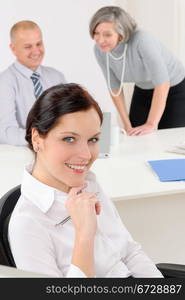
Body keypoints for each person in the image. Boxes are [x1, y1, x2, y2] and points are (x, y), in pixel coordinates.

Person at [8, 83, 163, 278]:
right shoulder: (27, 224)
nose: (85, 155)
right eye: (69, 139)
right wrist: (84, 235)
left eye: (93, 140)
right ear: (37, 139)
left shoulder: (88, 183)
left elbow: (129, 252)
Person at [89, 6, 185, 136]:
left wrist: (151, 123)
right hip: (143, 88)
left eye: (107, 34)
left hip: (175, 88)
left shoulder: (142, 40)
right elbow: (114, 89)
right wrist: (126, 123)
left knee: (169, 136)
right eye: (96, 33)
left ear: (122, 34)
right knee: (134, 134)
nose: (100, 40)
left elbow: (162, 83)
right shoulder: (100, 50)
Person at [0, 20, 66, 146]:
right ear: (13, 49)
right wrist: (43, 140)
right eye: (28, 47)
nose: (36, 51)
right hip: (25, 155)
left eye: (39, 44)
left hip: (59, 150)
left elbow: (68, 118)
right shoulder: (4, 83)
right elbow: (5, 133)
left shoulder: (57, 77)